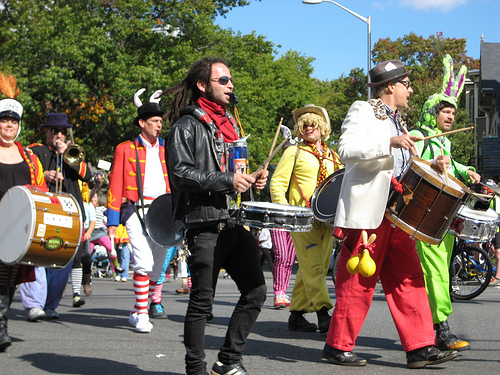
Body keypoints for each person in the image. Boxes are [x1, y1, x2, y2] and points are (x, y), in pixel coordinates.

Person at [324, 60, 459, 369]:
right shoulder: (363, 109)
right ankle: (337, 346)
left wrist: (433, 164)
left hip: (398, 211)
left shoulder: (398, 121)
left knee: (410, 277)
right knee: (358, 279)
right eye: (406, 84)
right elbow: (346, 148)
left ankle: (420, 346)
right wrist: (388, 142)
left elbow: (405, 165)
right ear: (390, 87)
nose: (410, 90)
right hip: (370, 211)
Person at [165, 56, 268, 375]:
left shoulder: (231, 125)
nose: (230, 84)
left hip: (235, 222)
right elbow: (180, 173)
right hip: (204, 224)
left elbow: (237, 172)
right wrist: (227, 180)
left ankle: (228, 360)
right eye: (223, 80)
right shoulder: (186, 126)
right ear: (202, 85)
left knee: (256, 290)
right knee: (202, 302)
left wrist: (254, 180)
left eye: (230, 80)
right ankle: (195, 369)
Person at [409, 54, 480, 352]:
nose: (451, 117)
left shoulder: (446, 141)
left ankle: (428, 328)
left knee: (440, 271)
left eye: (452, 112)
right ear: (431, 113)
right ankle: (441, 329)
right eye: (445, 112)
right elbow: (408, 159)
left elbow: (451, 164)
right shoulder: (419, 134)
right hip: (423, 214)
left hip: (443, 214)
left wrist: (466, 171)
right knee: (435, 271)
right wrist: (430, 160)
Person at [270, 104, 341, 334]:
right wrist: (284, 212)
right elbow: (277, 183)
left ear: (323, 128)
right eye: (305, 125)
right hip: (301, 218)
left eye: (313, 124)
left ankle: (297, 314)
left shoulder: (333, 156)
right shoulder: (294, 151)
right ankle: (323, 313)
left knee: (312, 266)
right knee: (314, 265)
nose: (309, 128)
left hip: (327, 220)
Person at [107, 89, 171, 333]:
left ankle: (137, 309)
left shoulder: (167, 148)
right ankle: (142, 313)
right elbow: (115, 185)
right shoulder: (124, 148)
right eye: (154, 121)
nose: (158, 126)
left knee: (157, 263)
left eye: (160, 122)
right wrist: (113, 219)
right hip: (135, 208)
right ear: (142, 123)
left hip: (163, 210)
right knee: (143, 261)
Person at [19, 112, 92, 321]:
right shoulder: (34, 151)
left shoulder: (72, 153)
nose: (59, 135)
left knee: (63, 259)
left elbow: (87, 176)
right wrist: (46, 175)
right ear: (47, 132)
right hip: (42, 213)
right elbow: (26, 176)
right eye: (56, 131)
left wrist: (68, 157)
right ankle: (34, 304)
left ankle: (51, 304)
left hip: (68, 212)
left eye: (63, 131)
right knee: (35, 257)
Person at [0, 92, 46, 351]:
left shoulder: (29, 157)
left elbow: (38, 190)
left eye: (13, 121)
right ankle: (1, 328)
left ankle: (1, 325)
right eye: (4, 120)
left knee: (7, 277)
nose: (9, 125)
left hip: (17, 226)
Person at [269, 229, 295, 309]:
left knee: (289, 261)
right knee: (281, 257)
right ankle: (278, 293)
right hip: (278, 222)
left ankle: (283, 292)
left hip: (294, 224)